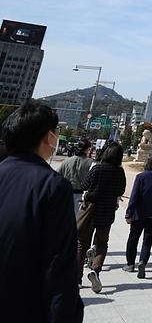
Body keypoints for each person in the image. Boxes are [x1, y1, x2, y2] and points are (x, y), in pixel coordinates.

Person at [0, 100, 84, 323]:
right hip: (24, 307)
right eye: (56, 132)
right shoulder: (53, 187)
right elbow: (59, 267)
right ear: (49, 137)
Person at [78, 140, 127, 293]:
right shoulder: (119, 172)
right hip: (107, 213)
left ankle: (76, 277)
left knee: (82, 243)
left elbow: (84, 185)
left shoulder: (97, 168)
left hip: (90, 212)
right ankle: (96, 270)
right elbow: (121, 189)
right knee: (102, 243)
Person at [58, 139, 93, 215]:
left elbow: (57, 175)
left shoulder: (67, 161)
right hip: (82, 195)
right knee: (77, 220)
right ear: (88, 149)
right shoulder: (90, 163)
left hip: (66, 193)